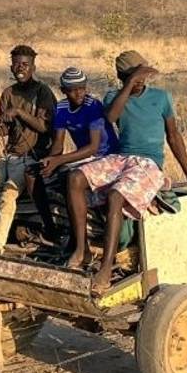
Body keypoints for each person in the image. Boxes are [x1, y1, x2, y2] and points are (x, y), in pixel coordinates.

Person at [64, 50, 187, 294]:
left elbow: (173, 136)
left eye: (143, 74)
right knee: (75, 178)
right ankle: (82, 249)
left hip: (149, 164)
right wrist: (130, 83)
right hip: (122, 158)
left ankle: (106, 267)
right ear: (122, 76)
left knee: (116, 195)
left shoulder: (161, 97)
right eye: (134, 75)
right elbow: (110, 117)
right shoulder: (114, 96)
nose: (141, 80)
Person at [0, 44, 56, 254]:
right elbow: (6, 130)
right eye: (16, 64)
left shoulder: (43, 92)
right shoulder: (8, 93)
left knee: (8, 194)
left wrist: (18, 112)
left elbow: (45, 127)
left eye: (25, 64)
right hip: (9, 154)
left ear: (33, 67)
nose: (20, 69)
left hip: (32, 156)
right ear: (11, 67)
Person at [31, 66, 118, 244]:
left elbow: (94, 147)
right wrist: (50, 159)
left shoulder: (93, 106)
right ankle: (50, 229)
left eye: (82, 89)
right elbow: (58, 143)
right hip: (85, 157)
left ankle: (78, 241)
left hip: (105, 156)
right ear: (63, 91)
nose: (79, 94)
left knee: (71, 178)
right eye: (73, 90)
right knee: (32, 173)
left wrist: (59, 160)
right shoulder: (62, 108)